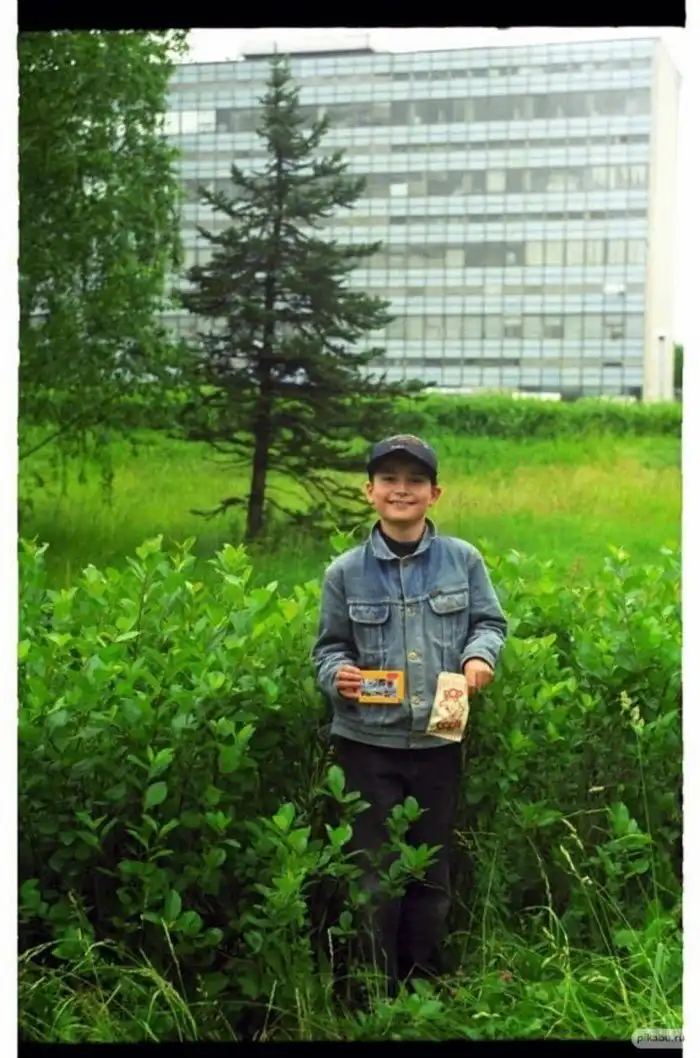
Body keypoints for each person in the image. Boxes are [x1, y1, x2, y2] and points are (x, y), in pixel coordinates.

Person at [312, 434, 508, 994]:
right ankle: (371, 988)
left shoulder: (463, 560)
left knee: (429, 869)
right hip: (366, 744)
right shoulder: (344, 572)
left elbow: (489, 624)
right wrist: (338, 675)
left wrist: (479, 657)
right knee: (371, 872)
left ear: (434, 493)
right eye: (389, 480)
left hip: (438, 741)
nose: (402, 490)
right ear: (369, 491)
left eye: (415, 480)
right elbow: (329, 649)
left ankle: (423, 985)